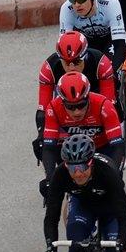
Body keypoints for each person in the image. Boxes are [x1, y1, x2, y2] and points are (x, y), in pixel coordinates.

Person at [36, 32, 116, 160]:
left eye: (77, 61)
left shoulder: (101, 62)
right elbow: (42, 110)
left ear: (86, 56)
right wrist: (41, 135)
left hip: (95, 93)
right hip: (65, 98)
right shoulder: (48, 68)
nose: (72, 67)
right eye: (66, 63)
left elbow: (111, 105)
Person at [40, 72, 125, 185]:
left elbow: (117, 146)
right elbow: (49, 149)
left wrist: (113, 174)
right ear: (62, 102)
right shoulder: (53, 108)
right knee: (50, 187)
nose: (77, 112)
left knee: (113, 184)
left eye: (81, 105)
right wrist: (50, 179)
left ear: (88, 98)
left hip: (103, 150)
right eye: (70, 107)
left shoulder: (104, 105)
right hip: (72, 153)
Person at [60, 0, 126, 72]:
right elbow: (65, 47)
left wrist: (113, 73)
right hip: (86, 43)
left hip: (109, 41)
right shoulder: (66, 9)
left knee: (109, 73)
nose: (77, 5)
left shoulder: (110, 3)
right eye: (73, 0)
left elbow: (120, 45)